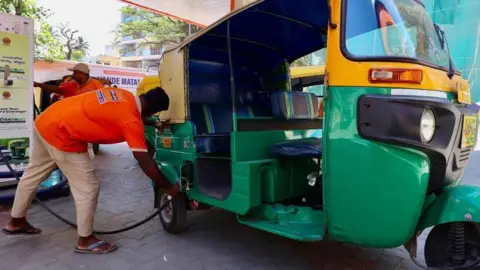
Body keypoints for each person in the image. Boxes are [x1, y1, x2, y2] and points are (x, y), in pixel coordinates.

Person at [2, 87, 179, 254]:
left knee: (32, 176)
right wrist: (168, 186)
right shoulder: (130, 120)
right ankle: (85, 241)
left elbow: (113, 113)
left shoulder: (123, 95)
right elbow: (144, 160)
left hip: (46, 121)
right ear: (152, 110)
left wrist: (149, 122)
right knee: (88, 188)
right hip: (63, 136)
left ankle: (16, 221)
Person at [34, 63, 104, 99]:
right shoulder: (71, 84)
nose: (73, 75)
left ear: (82, 73)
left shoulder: (97, 85)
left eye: (75, 73)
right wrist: (40, 85)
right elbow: (58, 90)